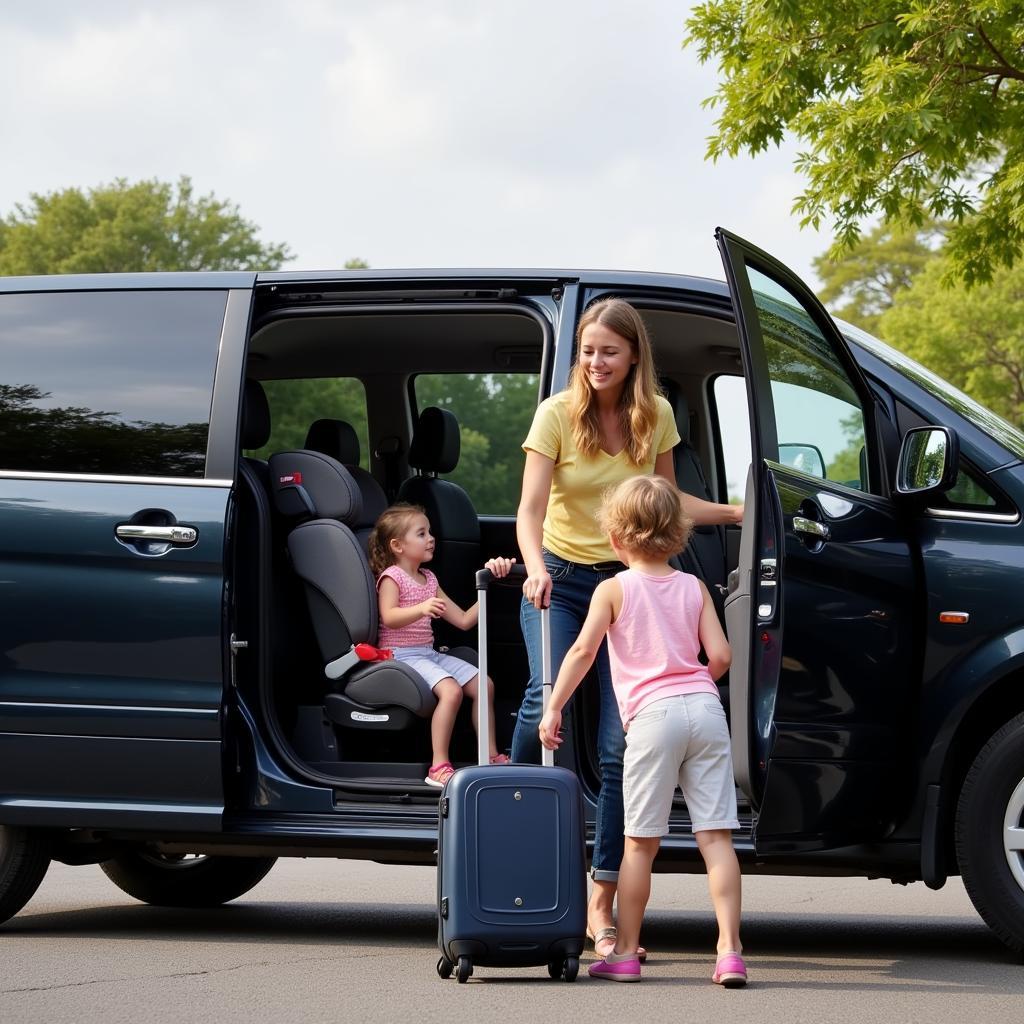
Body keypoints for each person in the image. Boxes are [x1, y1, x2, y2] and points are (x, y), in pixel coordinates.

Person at [511, 296, 742, 959]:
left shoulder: (655, 415)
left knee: (622, 747)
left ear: (633, 355)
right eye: (587, 351)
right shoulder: (557, 415)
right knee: (542, 691)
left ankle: (600, 901)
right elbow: (529, 510)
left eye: (608, 351)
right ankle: (504, 804)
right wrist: (533, 569)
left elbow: (669, 505)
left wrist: (740, 512)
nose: (595, 362)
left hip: (626, 577)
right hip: (557, 571)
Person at [539, 475, 744, 984]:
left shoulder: (613, 588)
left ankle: (625, 953)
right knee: (715, 838)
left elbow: (583, 652)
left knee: (639, 845)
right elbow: (720, 657)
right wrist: (693, 680)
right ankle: (729, 952)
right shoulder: (694, 587)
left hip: (653, 719)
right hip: (705, 710)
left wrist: (554, 707)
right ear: (677, 535)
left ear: (614, 537)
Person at [368, 503, 515, 787]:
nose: (431, 538)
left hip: (427, 654)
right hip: (400, 655)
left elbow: (462, 620)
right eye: (421, 533)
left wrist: (490, 586)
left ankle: (489, 754)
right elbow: (390, 616)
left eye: (430, 532)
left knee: (484, 685)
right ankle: (438, 765)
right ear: (398, 545)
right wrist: (422, 608)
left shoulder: (430, 579)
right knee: (451, 692)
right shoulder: (392, 577)